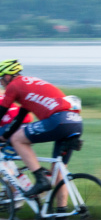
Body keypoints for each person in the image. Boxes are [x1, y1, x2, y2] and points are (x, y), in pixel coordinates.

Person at [0, 59, 83, 199]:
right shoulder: (29, 87)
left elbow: (2, 111)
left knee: (17, 139)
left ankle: (40, 179)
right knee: (59, 173)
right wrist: (5, 135)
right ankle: (61, 217)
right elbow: (19, 119)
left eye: (1, 79)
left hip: (59, 120)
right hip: (75, 121)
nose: (1, 83)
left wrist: (8, 136)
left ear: (8, 76)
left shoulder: (13, 86)